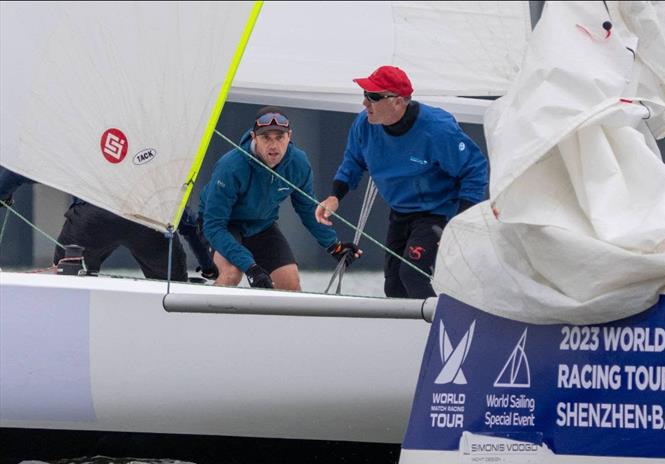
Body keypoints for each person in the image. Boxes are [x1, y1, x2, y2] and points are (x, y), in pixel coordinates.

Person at [315, 65, 489, 298]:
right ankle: (406, 332)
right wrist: (335, 196)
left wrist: (461, 221)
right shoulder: (365, 125)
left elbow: (475, 168)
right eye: (365, 95)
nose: (365, 103)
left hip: (438, 213)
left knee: (413, 274)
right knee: (394, 285)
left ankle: (436, 329)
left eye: (374, 97)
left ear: (398, 101)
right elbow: (353, 162)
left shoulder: (437, 130)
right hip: (400, 213)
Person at [199, 107, 361, 290]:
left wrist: (334, 246)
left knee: (290, 285)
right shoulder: (230, 166)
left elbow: (308, 210)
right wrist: (251, 268)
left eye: (279, 137)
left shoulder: (298, 163)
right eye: (266, 138)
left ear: (289, 136)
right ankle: (204, 315)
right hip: (222, 226)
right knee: (231, 273)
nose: (273, 145)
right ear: (254, 137)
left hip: (261, 226)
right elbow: (213, 225)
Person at [0, 165, 213, 281]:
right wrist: (207, 266)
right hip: (147, 217)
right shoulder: (153, 165)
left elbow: (22, 170)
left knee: (67, 278)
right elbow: (188, 225)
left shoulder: (91, 151)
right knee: (172, 285)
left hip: (93, 217)